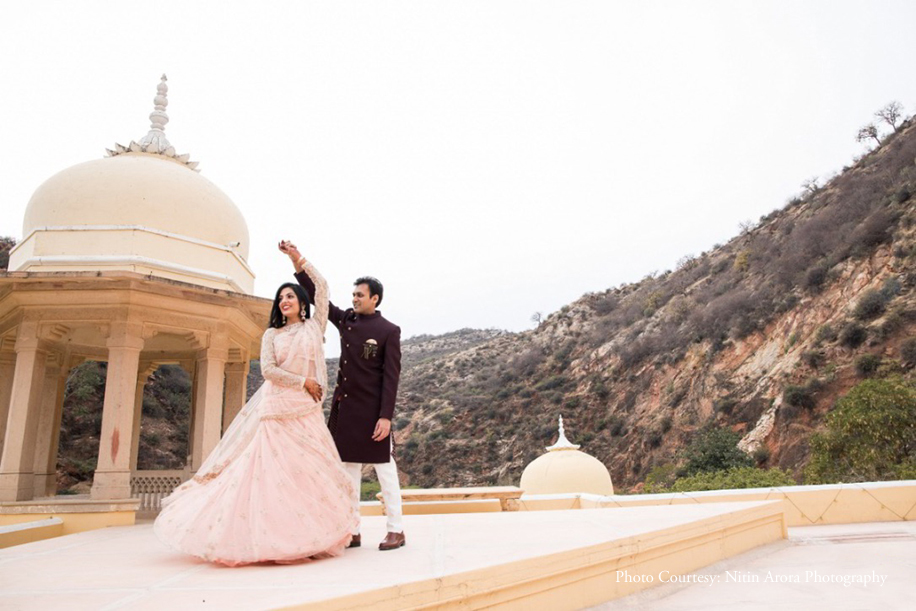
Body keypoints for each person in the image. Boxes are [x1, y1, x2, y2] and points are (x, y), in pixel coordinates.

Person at [153, 259, 358, 566]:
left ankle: (309, 537)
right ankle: (270, 540)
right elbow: (268, 370)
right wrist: (303, 381)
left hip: (305, 410)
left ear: (303, 302)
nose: (285, 301)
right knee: (273, 473)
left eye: (290, 296)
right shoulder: (272, 335)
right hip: (277, 408)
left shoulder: (314, 327)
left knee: (306, 472)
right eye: (281, 297)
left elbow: (323, 288)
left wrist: (298, 259)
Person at [280, 240, 406, 551]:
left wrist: (386, 417)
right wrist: (297, 261)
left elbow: (391, 378)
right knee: (348, 473)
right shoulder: (347, 320)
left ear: (375, 298)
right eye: (353, 295)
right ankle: (353, 530)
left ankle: (396, 530)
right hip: (347, 410)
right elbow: (318, 296)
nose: (355, 299)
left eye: (360, 295)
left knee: (385, 471)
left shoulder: (389, 330)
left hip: (374, 412)